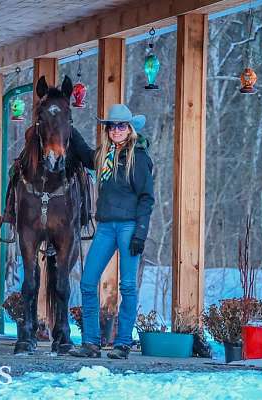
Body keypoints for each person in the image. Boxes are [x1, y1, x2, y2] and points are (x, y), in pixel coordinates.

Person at [68, 104, 155, 359]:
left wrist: (140, 232)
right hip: (105, 226)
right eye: (111, 126)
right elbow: (84, 155)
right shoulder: (104, 156)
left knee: (127, 286)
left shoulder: (138, 159)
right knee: (87, 282)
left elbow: (147, 198)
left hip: (129, 226)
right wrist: (69, 127)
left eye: (120, 126)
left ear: (130, 129)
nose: (115, 130)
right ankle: (91, 343)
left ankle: (123, 343)